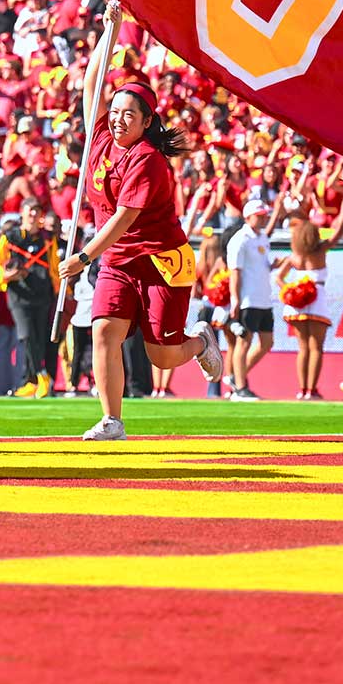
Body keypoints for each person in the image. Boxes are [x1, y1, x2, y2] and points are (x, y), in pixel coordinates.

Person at [61, 69, 229, 440]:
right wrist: (110, 28)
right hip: (117, 261)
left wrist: (84, 257)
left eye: (129, 115)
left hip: (161, 262)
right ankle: (111, 420)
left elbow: (125, 217)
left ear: (147, 121)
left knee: (163, 356)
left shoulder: (149, 159)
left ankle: (201, 340)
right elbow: (92, 84)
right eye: (115, 112)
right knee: (103, 331)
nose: (118, 120)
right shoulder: (101, 138)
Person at [0, 197, 58, 398]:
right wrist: (6, 276)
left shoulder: (47, 239)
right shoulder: (10, 236)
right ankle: (41, 375)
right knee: (26, 334)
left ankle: (30, 381)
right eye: (30, 210)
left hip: (42, 293)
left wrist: (60, 291)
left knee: (38, 338)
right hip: (18, 293)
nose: (33, 215)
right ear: (22, 212)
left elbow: (54, 266)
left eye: (36, 211)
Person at [275, 213, 335, 400]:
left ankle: (302, 389)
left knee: (303, 348)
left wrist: (291, 291)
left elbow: (278, 277)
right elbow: (339, 232)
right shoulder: (320, 251)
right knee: (316, 347)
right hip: (316, 301)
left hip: (298, 305)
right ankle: (311, 390)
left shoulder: (294, 257)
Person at [224, 197, 277, 401]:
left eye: (265, 216)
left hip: (263, 298)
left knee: (266, 342)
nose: (264, 219)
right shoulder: (240, 239)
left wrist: (273, 266)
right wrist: (235, 298)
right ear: (248, 217)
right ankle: (239, 386)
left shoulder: (261, 238)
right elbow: (235, 271)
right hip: (248, 298)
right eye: (260, 216)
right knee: (243, 341)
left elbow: (261, 265)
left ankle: (238, 377)